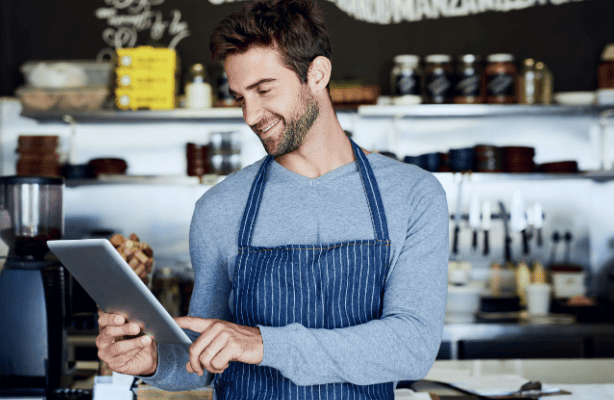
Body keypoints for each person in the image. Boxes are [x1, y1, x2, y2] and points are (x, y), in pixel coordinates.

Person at [96, 0, 449, 398]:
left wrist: (264, 344)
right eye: (240, 98)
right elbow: (202, 357)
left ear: (317, 74)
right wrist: (154, 361)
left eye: (264, 90)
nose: (250, 116)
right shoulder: (220, 208)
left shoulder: (411, 195)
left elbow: (411, 347)